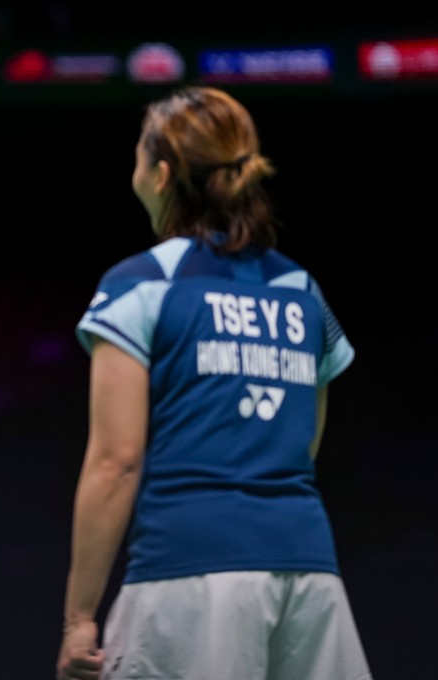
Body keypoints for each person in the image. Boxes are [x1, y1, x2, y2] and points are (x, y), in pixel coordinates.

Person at [55, 86, 372, 680]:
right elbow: (303, 445)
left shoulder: (139, 286)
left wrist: (79, 620)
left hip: (189, 575)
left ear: (162, 174)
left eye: (137, 159)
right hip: (309, 573)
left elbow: (115, 463)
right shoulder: (302, 293)